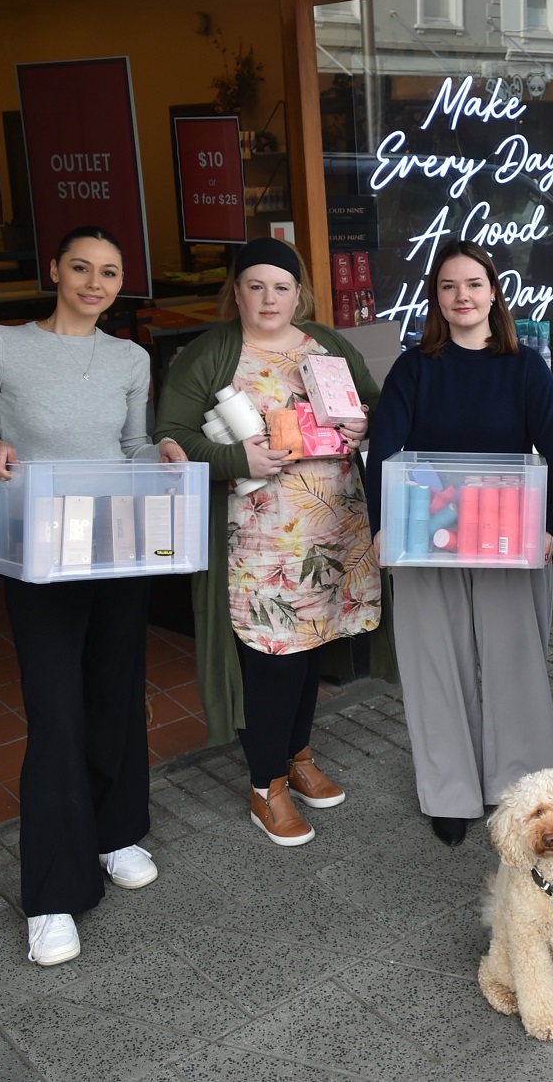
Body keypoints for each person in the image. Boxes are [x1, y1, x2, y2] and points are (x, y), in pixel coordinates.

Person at [0, 225, 186, 967]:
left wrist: (166, 454)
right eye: (80, 266)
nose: (94, 281)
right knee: (54, 712)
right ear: (54, 269)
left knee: (115, 693)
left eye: (109, 272)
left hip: (115, 543)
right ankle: (52, 893)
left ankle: (116, 833)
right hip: (39, 552)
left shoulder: (130, 357)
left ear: (120, 282)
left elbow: (131, 448)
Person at [153, 237, 380, 848]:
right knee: (271, 656)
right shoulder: (211, 354)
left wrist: (367, 424)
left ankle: (297, 753)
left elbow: (378, 406)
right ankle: (266, 784)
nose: (268, 297)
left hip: (333, 531)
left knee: (311, 649)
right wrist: (235, 455)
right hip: (258, 539)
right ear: (236, 292)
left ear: (299, 293)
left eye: (281, 286)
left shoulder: (327, 345)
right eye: (254, 285)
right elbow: (169, 436)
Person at [364, 242, 553, 848]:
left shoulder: (525, 367)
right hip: (427, 533)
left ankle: (523, 786)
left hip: (509, 533)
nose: (463, 297)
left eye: (474, 284)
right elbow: (384, 453)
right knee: (435, 661)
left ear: (493, 293)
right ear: (437, 297)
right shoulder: (414, 368)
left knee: (517, 663)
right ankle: (449, 791)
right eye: (450, 286)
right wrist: (383, 525)